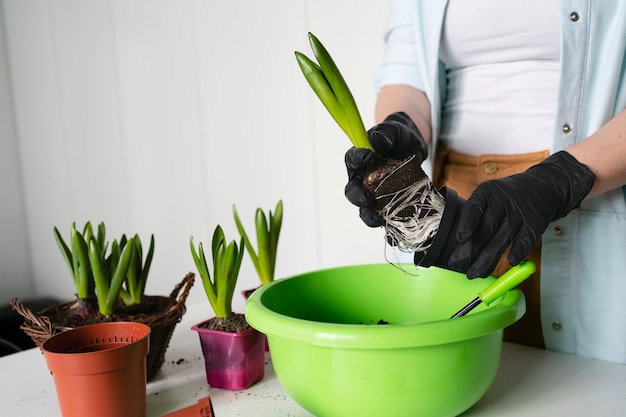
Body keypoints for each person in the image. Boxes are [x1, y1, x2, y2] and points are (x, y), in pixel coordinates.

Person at [344, 0, 626, 364]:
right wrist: (403, 128)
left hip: (587, 191)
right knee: (448, 373)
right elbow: (407, 73)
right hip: (453, 211)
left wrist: (562, 179)